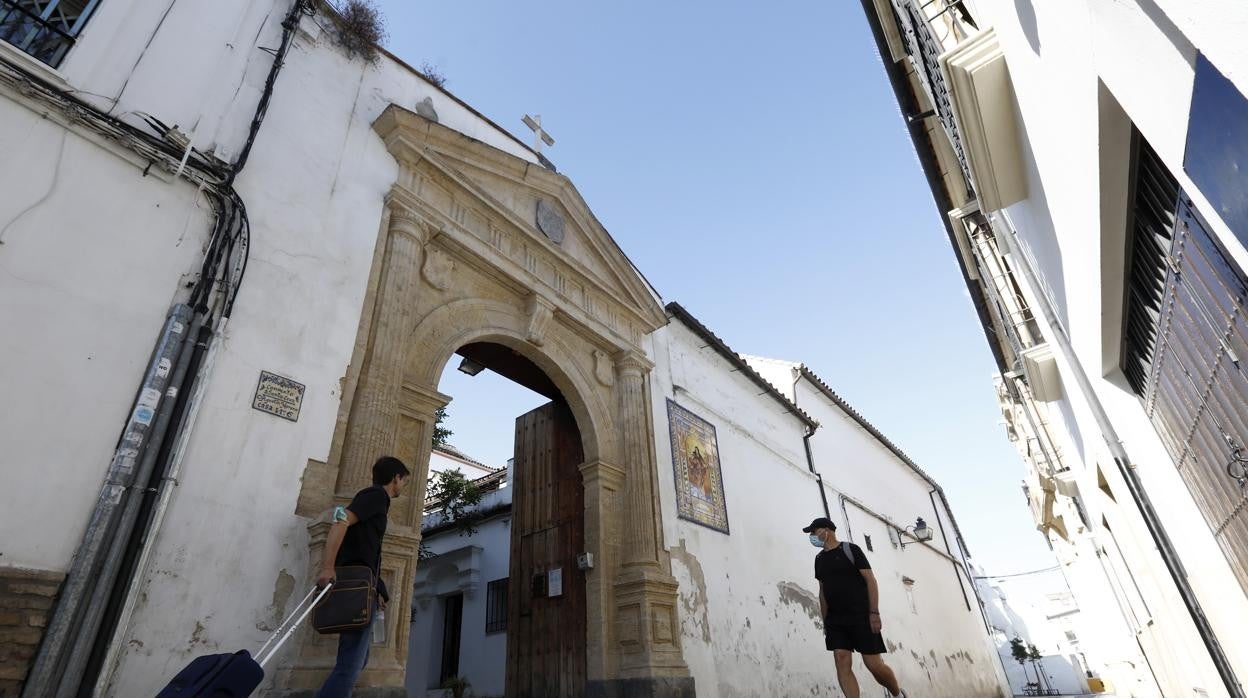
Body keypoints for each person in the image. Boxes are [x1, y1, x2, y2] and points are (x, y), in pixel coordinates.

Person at [313, 456, 410, 698]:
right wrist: (327, 567)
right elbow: (340, 522)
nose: (404, 486)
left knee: (358, 657)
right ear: (396, 478)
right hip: (355, 587)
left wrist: (378, 589)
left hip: (364, 585)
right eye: (404, 481)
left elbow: (366, 550)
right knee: (351, 663)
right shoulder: (375, 496)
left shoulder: (375, 500)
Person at [803, 516, 907, 698]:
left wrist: (874, 612)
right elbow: (822, 591)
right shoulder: (819, 559)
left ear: (826, 530)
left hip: (861, 616)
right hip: (836, 620)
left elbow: (870, 581)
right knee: (841, 660)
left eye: (814, 531)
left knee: (874, 665)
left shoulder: (851, 550)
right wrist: (826, 621)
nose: (812, 536)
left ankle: (897, 694)